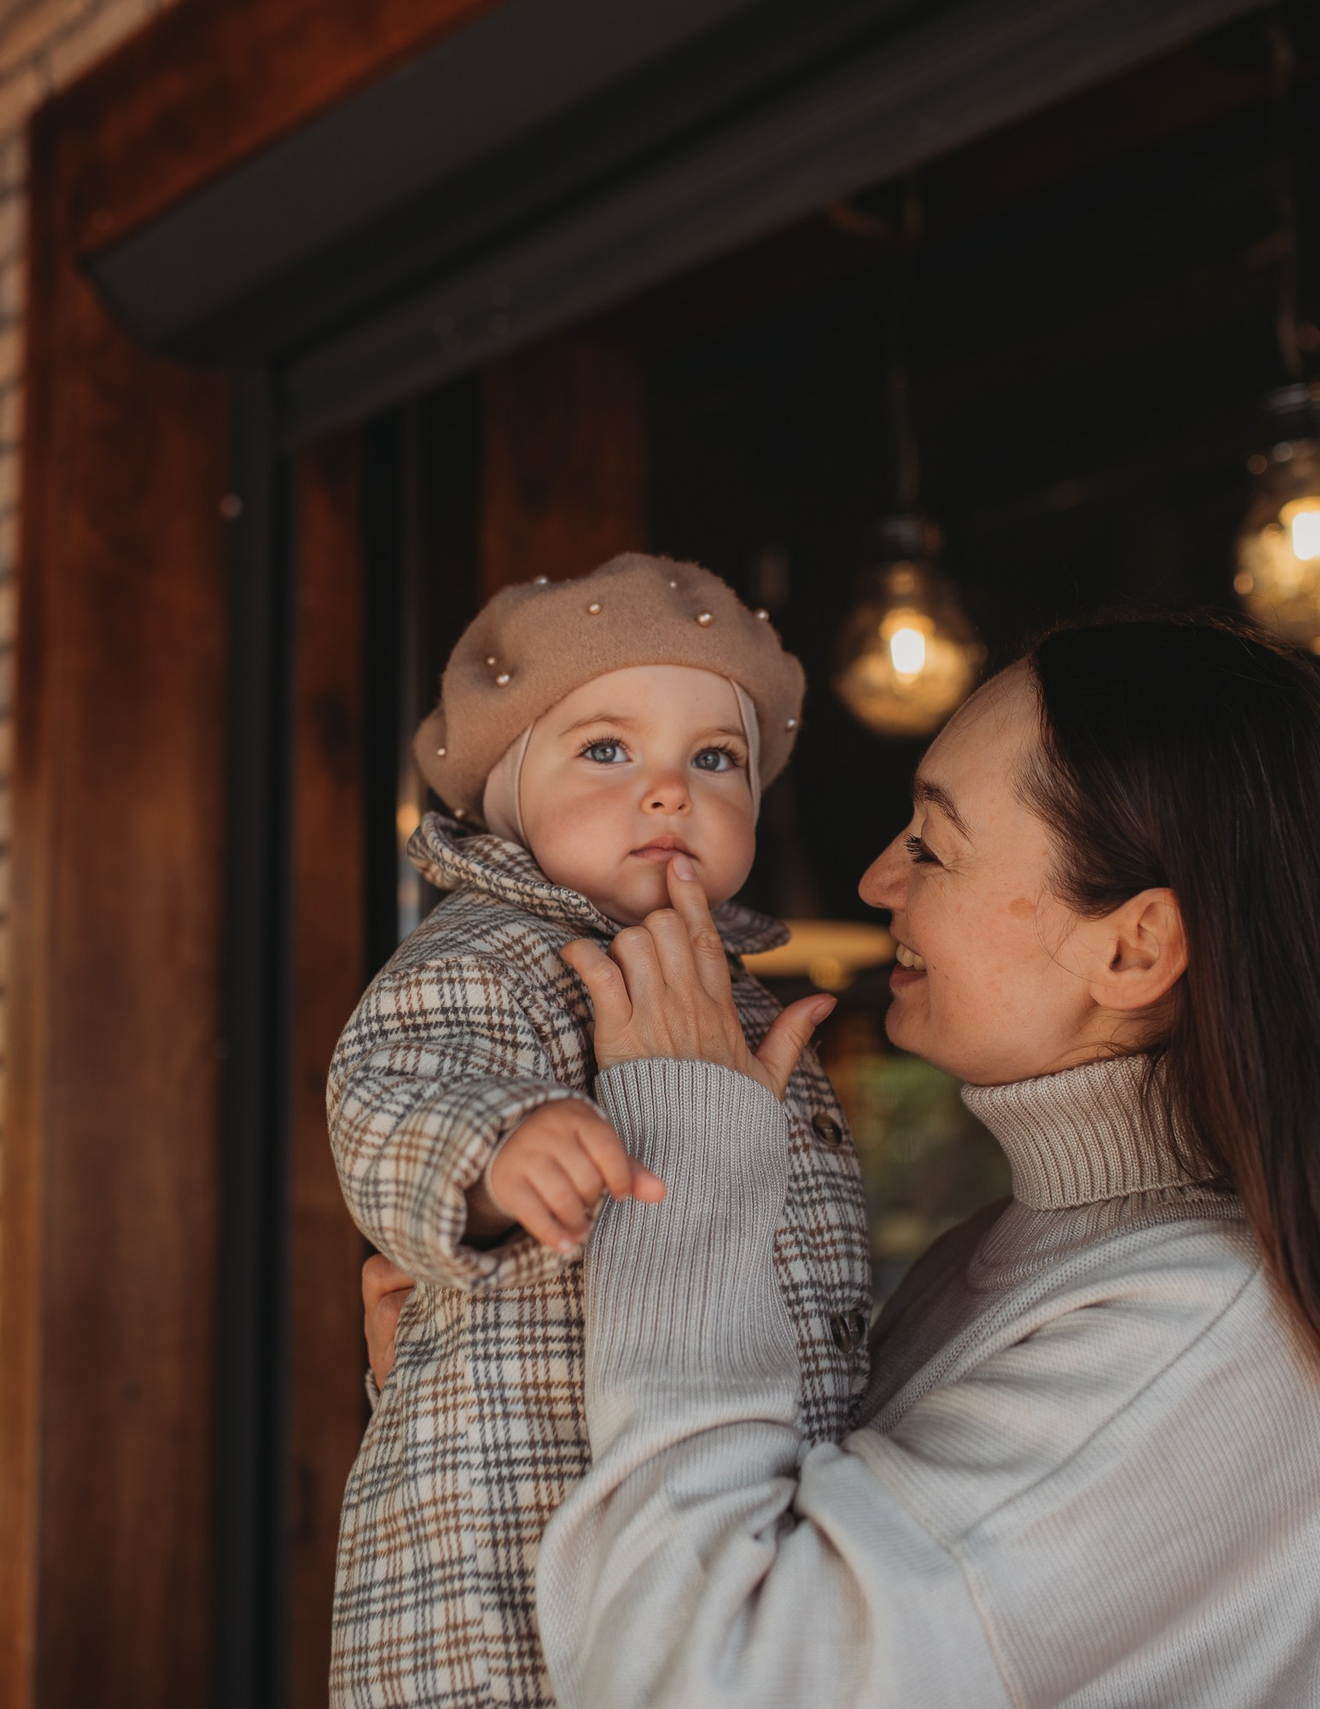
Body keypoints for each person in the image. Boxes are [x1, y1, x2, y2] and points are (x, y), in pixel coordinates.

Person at [367, 613, 1320, 1706]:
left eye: (932, 842)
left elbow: (723, 1675)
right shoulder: (1012, 1252)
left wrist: (686, 1144)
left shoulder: (1210, 1326)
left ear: (1134, 944)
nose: (876, 881)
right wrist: (480, 1376)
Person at [326, 553, 871, 1709]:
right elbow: (388, 1091)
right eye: (607, 749)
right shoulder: (489, 955)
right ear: (509, 791)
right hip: (500, 1537)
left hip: (715, 1513)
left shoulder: (745, 998)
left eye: (713, 758)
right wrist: (500, 1144)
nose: (669, 790)